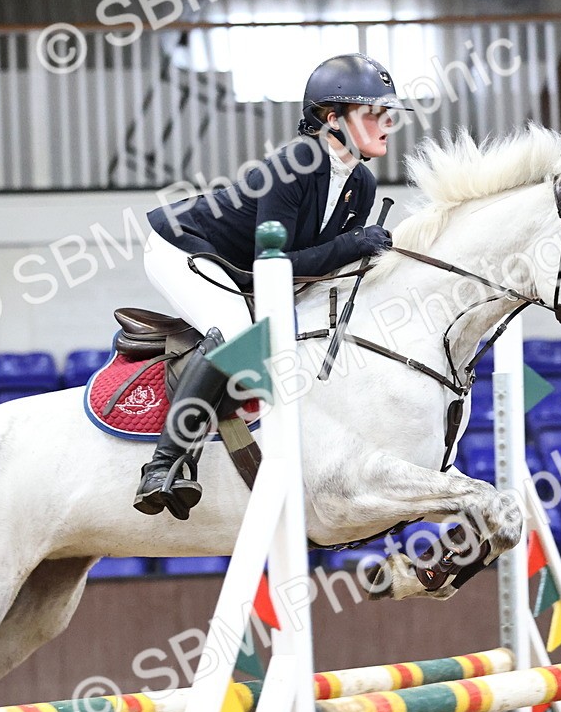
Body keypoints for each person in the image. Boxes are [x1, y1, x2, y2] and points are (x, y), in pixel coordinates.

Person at [135, 53, 407, 520]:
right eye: (372, 113)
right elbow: (272, 268)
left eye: (388, 114)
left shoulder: (359, 183)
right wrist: (351, 245)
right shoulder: (296, 163)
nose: (387, 124)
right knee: (237, 331)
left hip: (243, 266)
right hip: (182, 245)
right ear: (331, 118)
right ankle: (164, 466)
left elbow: (316, 276)